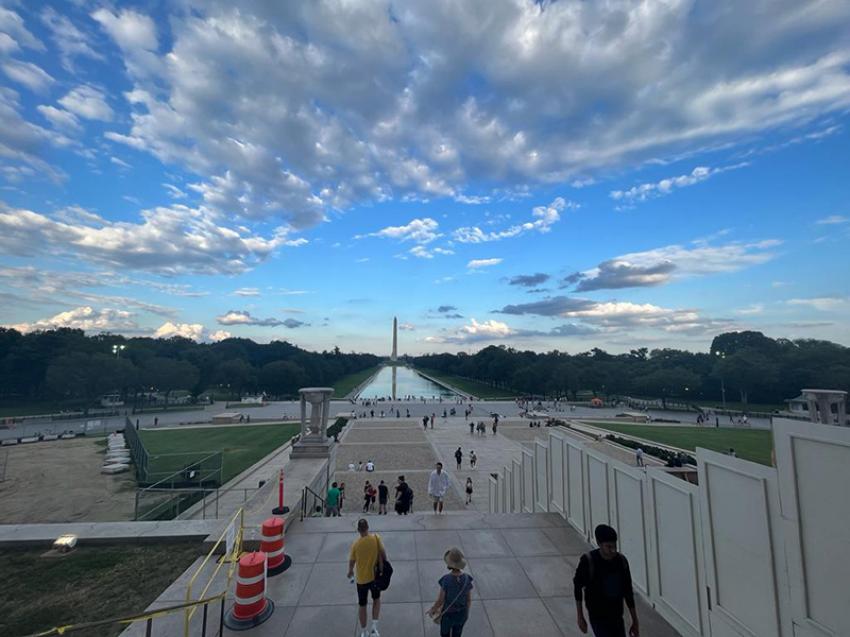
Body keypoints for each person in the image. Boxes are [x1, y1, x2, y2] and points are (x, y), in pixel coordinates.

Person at [574, 524, 639, 637]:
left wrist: (635, 620)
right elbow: (577, 587)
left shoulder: (621, 562)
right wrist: (580, 616)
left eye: (614, 546)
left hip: (617, 615)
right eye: (609, 547)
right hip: (598, 616)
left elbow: (628, 591)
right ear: (599, 544)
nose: (613, 551)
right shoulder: (588, 562)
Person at [348, 518, 386, 637]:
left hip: (361, 579)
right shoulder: (376, 538)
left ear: (358, 530)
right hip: (375, 577)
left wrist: (350, 572)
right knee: (376, 600)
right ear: (368, 528)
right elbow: (384, 554)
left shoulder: (355, 545)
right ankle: (374, 628)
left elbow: (352, 561)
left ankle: (364, 631)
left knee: (362, 605)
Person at [427, 547, 474, 637]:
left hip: (448, 615)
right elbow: (468, 600)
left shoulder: (446, 580)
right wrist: (466, 612)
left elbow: (440, 600)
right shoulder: (467, 578)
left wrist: (433, 609)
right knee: (457, 633)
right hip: (462, 614)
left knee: (445, 633)